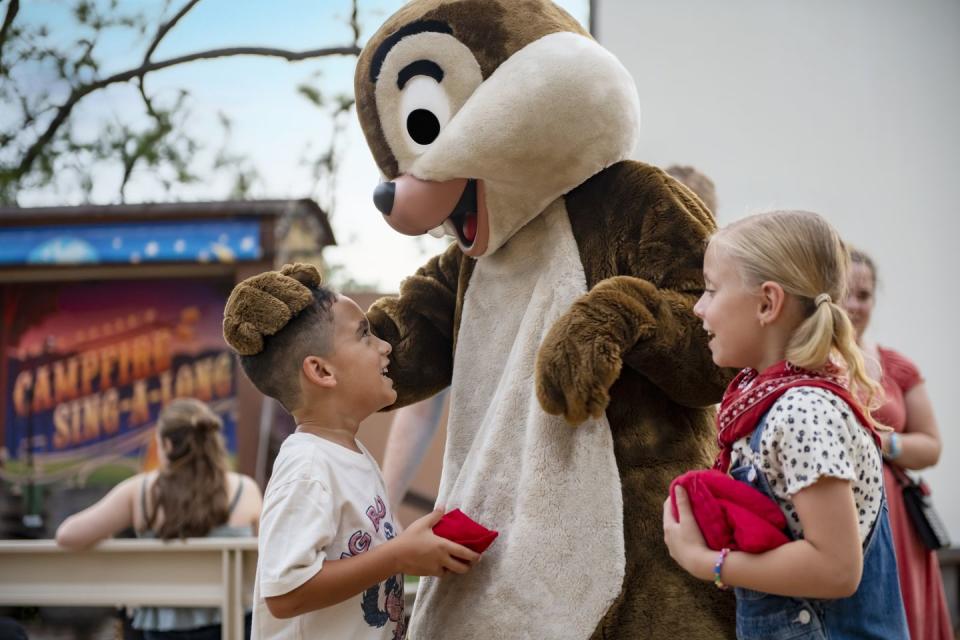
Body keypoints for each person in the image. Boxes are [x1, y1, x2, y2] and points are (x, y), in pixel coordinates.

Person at [662, 210, 909, 639]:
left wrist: (708, 563)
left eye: (711, 289)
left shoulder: (801, 412)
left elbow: (836, 570)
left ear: (767, 303)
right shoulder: (768, 402)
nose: (698, 308)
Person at [221, 263, 479, 640]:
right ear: (322, 371)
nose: (386, 346)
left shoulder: (350, 455)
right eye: (364, 336)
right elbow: (285, 593)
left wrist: (416, 548)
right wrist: (398, 556)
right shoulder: (307, 467)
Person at [55, 397, 263, 640]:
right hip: (234, 629)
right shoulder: (245, 490)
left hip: (161, 633)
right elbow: (266, 560)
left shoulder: (139, 492)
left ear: (165, 444)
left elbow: (67, 536)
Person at [843, 248, 951, 640]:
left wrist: (883, 441)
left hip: (897, 519)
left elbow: (931, 446)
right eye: (845, 293)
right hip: (840, 511)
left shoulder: (896, 366)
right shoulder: (808, 360)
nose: (854, 305)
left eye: (865, 295)